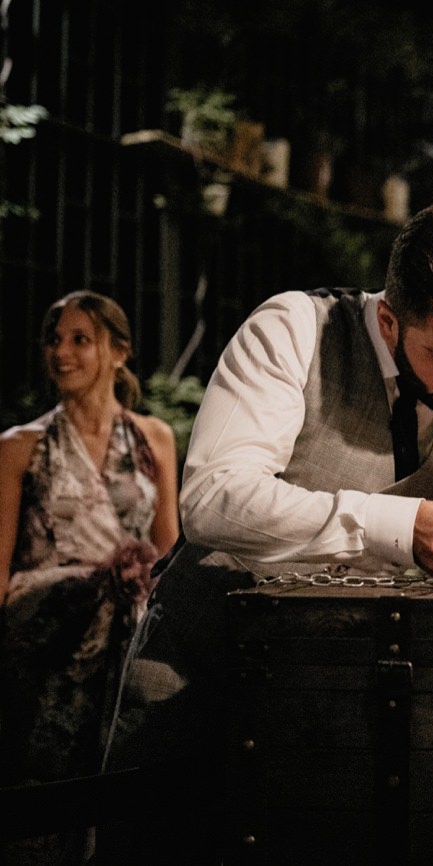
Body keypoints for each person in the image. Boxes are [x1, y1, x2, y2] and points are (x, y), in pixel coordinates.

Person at [97, 200, 433, 864]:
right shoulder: (292, 331)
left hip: (341, 705)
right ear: (389, 320)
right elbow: (213, 499)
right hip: (204, 675)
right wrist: (396, 524)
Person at [0, 290, 179, 865]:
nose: (61, 352)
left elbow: (168, 553)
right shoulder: (20, 447)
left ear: (119, 352)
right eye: (54, 340)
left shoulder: (154, 439)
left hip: (129, 630)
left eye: (80, 339)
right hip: (48, 633)